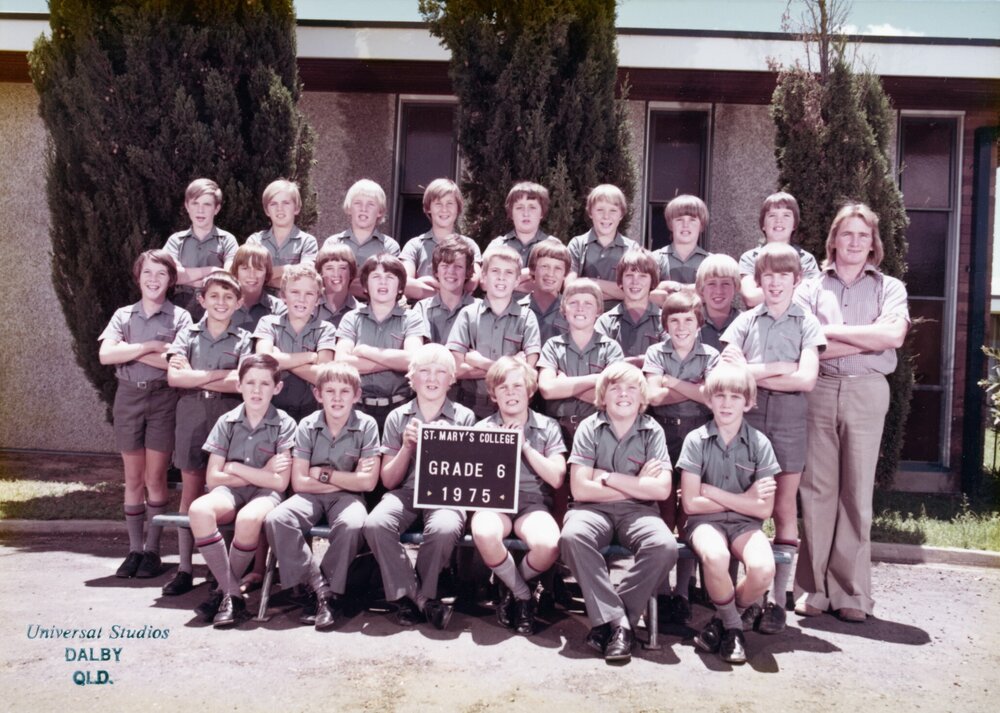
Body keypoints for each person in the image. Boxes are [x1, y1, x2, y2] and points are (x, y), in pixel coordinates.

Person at [793, 203, 909, 623]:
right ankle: (812, 590)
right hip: (818, 390)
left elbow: (893, 334)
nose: (855, 242)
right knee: (817, 491)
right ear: (833, 240)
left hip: (867, 392)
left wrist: (827, 335)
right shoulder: (808, 288)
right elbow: (801, 341)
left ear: (874, 243)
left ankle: (851, 594)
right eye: (847, 234)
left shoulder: (889, 288)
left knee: (856, 494)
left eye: (863, 235)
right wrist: (868, 339)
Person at [720, 242, 825, 634]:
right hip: (746, 419)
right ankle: (737, 594)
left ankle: (778, 601)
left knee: (783, 507)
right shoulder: (746, 321)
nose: (776, 283)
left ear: (797, 280)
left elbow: (806, 379)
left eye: (784, 276)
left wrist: (754, 370)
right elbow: (728, 372)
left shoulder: (806, 322)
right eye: (769, 276)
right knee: (740, 503)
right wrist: (779, 365)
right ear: (758, 280)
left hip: (789, 418)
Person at [559, 362, 677, 663]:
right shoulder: (589, 427)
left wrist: (609, 477)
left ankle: (608, 622)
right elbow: (581, 489)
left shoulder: (653, 431)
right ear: (603, 395)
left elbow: (661, 491)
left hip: (639, 512)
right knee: (573, 536)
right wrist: (639, 484)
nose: (623, 395)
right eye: (615, 388)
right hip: (592, 510)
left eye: (631, 389)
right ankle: (620, 624)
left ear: (641, 397)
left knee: (663, 545)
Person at [363, 343, 475, 630]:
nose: (432, 378)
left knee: (445, 527)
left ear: (452, 379)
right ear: (411, 378)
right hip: (406, 492)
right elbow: (388, 480)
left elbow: (469, 478)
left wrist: (453, 446)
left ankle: (419, 595)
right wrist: (406, 447)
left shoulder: (464, 418)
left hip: (446, 494)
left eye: (440, 372)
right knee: (376, 523)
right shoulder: (396, 417)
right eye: (424, 371)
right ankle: (415, 596)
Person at [264, 363, 381, 630]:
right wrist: (348, 480)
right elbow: (298, 481)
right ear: (318, 395)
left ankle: (327, 592)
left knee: (352, 524)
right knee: (277, 518)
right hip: (310, 497)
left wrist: (323, 475)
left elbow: (369, 482)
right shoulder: (307, 425)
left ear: (356, 395)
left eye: (344, 391)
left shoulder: (367, 425)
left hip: (349, 500)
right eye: (330, 391)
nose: (337, 398)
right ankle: (321, 590)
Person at [99, 249, 193, 580]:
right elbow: (106, 354)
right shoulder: (124, 315)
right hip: (128, 398)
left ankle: (152, 550)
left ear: (170, 280)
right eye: (147, 273)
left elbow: (176, 363)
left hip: (164, 399)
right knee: (133, 478)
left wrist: (130, 353)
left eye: (161, 274)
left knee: (155, 477)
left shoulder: (180, 317)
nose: (154, 279)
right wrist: (149, 347)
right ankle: (134, 549)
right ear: (138, 276)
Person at [679, 363, 780, 664]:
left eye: (735, 397)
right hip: (704, 523)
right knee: (716, 557)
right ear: (708, 400)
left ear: (748, 402)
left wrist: (713, 493)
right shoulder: (696, 441)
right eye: (719, 395)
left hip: (745, 525)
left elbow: (763, 508)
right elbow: (691, 505)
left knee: (763, 570)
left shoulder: (760, 444)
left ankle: (720, 621)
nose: (726, 403)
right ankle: (734, 629)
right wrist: (742, 499)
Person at [188, 355, 296, 627]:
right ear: (239, 385)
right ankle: (232, 594)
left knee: (249, 518)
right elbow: (213, 477)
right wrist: (260, 472)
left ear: (277, 388)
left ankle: (222, 595)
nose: (257, 390)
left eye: (264, 384)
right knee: (199, 509)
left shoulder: (284, 423)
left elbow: (279, 483)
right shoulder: (227, 422)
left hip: (265, 496)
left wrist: (234, 468)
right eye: (250, 383)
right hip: (229, 492)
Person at [164, 270, 252, 595]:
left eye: (229, 297)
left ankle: (221, 570)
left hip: (227, 417)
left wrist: (197, 375)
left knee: (223, 491)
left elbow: (238, 383)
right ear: (201, 299)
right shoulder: (187, 335)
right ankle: (185, 568)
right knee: (190, 492)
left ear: (239, 302)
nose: (221, 302)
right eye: (214, 296)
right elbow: (175, 379)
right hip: (191, 415)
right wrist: (219, 375)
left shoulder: (244, 339)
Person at [472, 357, 566, 635]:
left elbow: (556, 477)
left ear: (529, 391)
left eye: (517, 386)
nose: (511, 392)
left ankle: (510, 588)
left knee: (549, 544)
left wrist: (524, 446)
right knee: (484, 532)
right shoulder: (482, 429)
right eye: (503, 387)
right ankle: (524, 597)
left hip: (532, 504)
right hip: (494, 503)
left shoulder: (547, 427)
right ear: (493, 395)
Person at [643, 289, 718, 623]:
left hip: (699, 435)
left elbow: (711, 399)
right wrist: (693, 388)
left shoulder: (710, 355)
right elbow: (652, 398)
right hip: (662, 434)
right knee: (662, 511)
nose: (682, 327)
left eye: (689, 320)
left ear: (699, 323)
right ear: (665, 325)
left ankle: (683, 591)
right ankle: (658, 590)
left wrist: (672, 382)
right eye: (675, 321)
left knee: (690, 512)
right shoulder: (655, 352)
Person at [537, 278, 623, 519]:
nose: (580, 308)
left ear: (598, 310)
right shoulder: (553, 346)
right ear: (564, 310)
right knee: (558, 494)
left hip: (598, 430)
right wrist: (598, 379)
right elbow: (547, 389)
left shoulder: (611, 348)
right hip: (559, 429)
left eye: (588, 303)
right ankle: (555, 552)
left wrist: (566, 383)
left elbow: (612, 397)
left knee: (592, 492)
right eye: (573, 303)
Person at [448, 246, 542, 419]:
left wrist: (480, 362)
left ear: (517, 281)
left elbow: (529, 374)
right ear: (484, 276)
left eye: (508, 273)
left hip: (513, 410)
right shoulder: (468, 315)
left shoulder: (527, 318)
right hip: (470, 406)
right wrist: (511, 367)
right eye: (495, 271)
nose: (501, 277)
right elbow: (456, 369)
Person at [335, 254, 425, 431]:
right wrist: (392, 361)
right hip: (356, 409)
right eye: (376, 277)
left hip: (401, 408)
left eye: (390, 277)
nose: (383, 283)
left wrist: (365, 350)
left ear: (400, 287)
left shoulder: (412, 318)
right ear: (366, 285)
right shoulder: (351, 318)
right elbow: (341, 362)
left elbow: (414, 361)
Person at [254, 264, 337, 423]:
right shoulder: (268, 323)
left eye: (309, 294)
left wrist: (280, 360)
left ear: (318, 299)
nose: (301, 299)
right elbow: (263, 363)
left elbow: (323, 376)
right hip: (269, 412)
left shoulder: (326, 329)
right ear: (283, 296)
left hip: (312, 414)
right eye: (295, 292)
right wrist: (309, 356)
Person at [162, 178, 239, 320]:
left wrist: (188, 279)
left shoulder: (227, 240)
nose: (200, 210)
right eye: (195, 203)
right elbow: (170, 275)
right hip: (178, 306)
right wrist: (212, 271)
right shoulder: (176, 241)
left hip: (215, 308)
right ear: (187, 206)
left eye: (207, 204)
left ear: (216, 209)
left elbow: (228, 276)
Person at [399, 178, 481, 300]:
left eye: (450, 203)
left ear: (458, 208)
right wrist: (451, 292)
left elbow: (472, 283)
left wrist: (429, 282)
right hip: (422, 314)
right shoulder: (415, 245)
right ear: (428, 208)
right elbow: (405, 284)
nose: (444, 209)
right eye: (438, 204)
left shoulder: (469, 244)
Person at [739, 192, 820, 308]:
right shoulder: (750, 258)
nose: (779, 221)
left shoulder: (806, 260)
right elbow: (751, 297)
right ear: (763, 224)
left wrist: (768, 292)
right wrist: (791, 289)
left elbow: (810, 297)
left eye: (786, 215)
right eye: (772, 215)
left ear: (794, 224)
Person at [565, 184, 639, 309]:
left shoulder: (632, 248)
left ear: (621, 215)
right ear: (590, 213)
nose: (606, 216)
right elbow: (570, 287)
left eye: (613, 210)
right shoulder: (577, 244)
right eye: (600, 210)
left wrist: (590, 281)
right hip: (584, 313)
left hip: (620, 317)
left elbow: (634, 291)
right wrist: (615, 291)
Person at [322, 179, 401, 294]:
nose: (363, 209)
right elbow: (323, 281)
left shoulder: (389, 246)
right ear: (349, 208)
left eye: (371, 204)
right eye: (358, 203)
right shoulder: (332, 243)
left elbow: (390, 286)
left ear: (380, 211)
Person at [594, 248, 663, 368]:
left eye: (642, 276)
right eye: (629, 275)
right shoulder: (605, 322)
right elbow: (599, 363)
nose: (635, 282)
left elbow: (671, 362)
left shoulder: (665, 321)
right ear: (621, 281)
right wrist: (641, 361)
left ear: (652, 281)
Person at [246, 179, 318, 291]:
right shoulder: (255, 241)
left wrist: (265, 278)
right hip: (259, 306)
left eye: (286, 203)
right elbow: (250, 275)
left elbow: (305, 276)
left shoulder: (307, 242)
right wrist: (289, 269)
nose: (280, 209)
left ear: (297, 208)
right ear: (267, 211)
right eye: (273, 204)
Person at [486, 182, 556, 296]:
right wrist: (531, 278)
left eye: (532, 207)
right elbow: (484, 284)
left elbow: (554, 284)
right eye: (519, 208)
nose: (526, 213)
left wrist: (507, 282)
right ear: (511, 213)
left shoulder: (553, 245)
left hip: (540, 313)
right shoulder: (497, 245)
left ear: (542, 213)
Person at [412, 235, 476, 347]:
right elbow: (416, 352)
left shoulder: (479, 309)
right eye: (445, 266)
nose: (451, 272)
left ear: (467, 272)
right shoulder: (422, 309)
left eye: (458, 266)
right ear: (436, 271)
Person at [653, 195, 711, 295]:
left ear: (701, 225)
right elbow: (646, 293)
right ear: (670, 224)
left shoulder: (711, 262)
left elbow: (713, 293)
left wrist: (672, 287)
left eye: (692, 220)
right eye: (679, 219)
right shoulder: (654, 259)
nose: (685, 225)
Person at [519, 238, 571, 346]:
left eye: (557, 268)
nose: (550, 274)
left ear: (565, 274)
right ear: (533, 269)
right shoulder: (517, 310)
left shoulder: (571, 311)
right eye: (544, 266)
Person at [228, 243, 287, 333]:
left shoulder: (278, 309)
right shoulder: (221, 305)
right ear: (236, 271)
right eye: (245, 268)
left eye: (259, 269)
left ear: (267, 274)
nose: (252, 275)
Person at [694, 253, 742, 351]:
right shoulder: (690, 321)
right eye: (711, 283)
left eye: (725, 283)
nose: (718, 291)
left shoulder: (745, 322)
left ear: (736, 286)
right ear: (701, 288)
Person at [314, 244, 362, 330]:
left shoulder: (360, 311)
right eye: (329, 268)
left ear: (351, 272)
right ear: (320, 273)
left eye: (342, 268)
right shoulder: (310, 306)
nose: (336, 274)